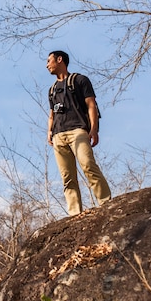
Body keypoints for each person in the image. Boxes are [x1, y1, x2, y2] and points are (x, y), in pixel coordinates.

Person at [46, 50, 111, 216]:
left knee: (88, 166)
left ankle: (106, 203)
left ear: (59, 60)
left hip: (78, 131)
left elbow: (91, 105)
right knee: (67, 178)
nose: (47, 65)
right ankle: (74, 214)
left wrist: (94, 129)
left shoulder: (80, 80)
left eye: (49, 61)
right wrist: (49, 131)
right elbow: (52, 114)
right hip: (59, 135)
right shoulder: (52, 89)